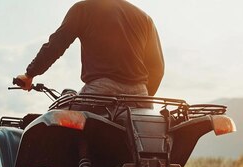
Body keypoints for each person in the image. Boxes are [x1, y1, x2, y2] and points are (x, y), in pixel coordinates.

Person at [16, 0, 164, 99]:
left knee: (58, 123)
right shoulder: (144, 18)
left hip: (100, 92)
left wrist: (30, 74)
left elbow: (56, 45)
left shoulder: (83, 9)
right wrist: (142, 97)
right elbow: (157, 68)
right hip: (140, 94)